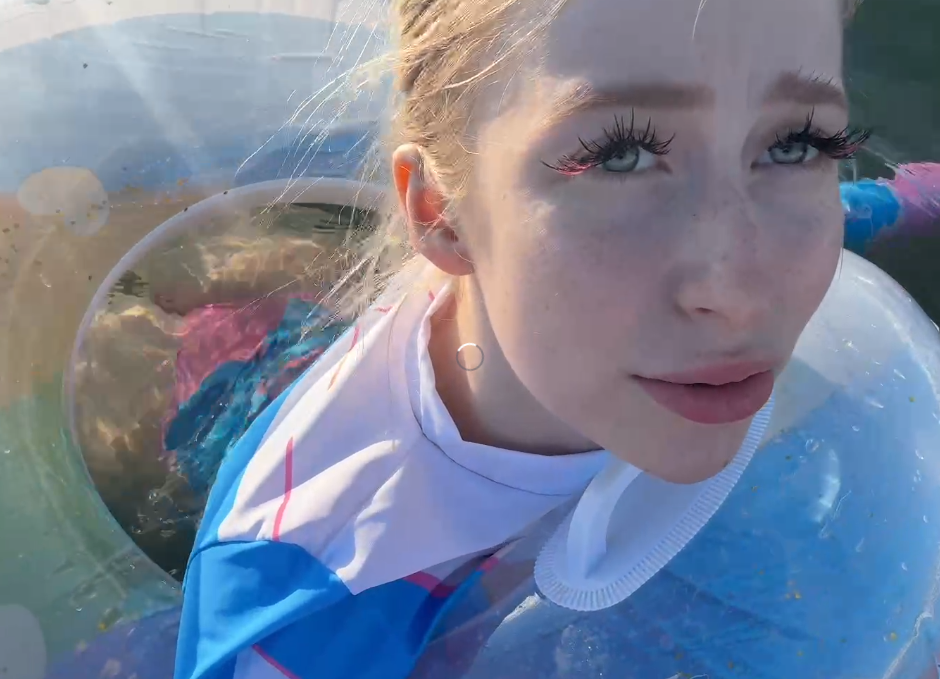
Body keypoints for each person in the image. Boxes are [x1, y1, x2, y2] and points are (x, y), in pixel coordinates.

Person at [174, 0, 871, 677]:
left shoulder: (746, 263)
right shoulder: (317, 607)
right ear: (441, 212)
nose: (745, 295)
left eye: (796, 143)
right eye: (620, 157)